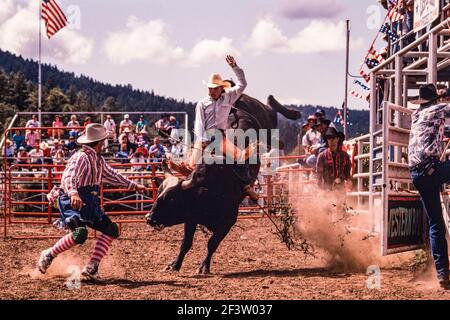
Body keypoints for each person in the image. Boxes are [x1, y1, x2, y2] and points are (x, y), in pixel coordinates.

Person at [37, 123, 146, 280]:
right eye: (104, 140)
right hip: (71, 199)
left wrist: (134, 186)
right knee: (80, 233)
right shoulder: (81, 157)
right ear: (99, 142)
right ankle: (49, 254)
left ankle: (91, 267)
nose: (105, 143)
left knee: (111, 229)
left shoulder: (97, 159)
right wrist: (74, 194)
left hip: (88, 201)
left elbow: (112, 175)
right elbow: (69, 177)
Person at [188, 55, 258, 200]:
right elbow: (199, 123)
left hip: (220, 137)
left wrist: (235, 67)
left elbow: (242, 84)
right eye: (210, 88)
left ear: (221, 88)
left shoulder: (229, 97)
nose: (211, 91)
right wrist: (202, 140)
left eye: (214, 88)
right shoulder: (202, 104)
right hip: (206, 137)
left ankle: (246, 186)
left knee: (240, 159)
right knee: (192, 168)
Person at [408, 84, 450, 289]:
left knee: (436, 222)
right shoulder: (437, 109)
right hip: (430, 168)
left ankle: (443, 275)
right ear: (435, 100)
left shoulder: (417, 115)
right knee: (435, 222)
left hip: (417, 173)